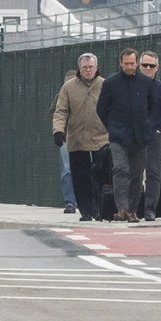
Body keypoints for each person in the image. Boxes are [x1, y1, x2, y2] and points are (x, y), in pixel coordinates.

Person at [96, 48, 158, 223]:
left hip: (140, 137)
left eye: (132, 63)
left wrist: (149, 127)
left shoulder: (146, 83)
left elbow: (153, 107)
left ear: (137, 63)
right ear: (121, 63)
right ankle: (121, 208)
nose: (129, 67)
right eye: (126, 64)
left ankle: (132, 210)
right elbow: (101, 108)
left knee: (137, 174)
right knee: (121, 169)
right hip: (118, 136)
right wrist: (112, 126)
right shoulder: (111, 83)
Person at [53, 53, 108, 221]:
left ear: (96, 68)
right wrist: (58, 130)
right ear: (79, 68)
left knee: (101, 176)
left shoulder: (105, 85)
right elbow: (61, 111)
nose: (88, 70)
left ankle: (100, 208)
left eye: (91, 67)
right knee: (80, 177)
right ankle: (86, 211)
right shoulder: (69, 87)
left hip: (102, 140)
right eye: (85, 67)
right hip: (77, 140)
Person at [140, 50, 161, 222]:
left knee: (153, 173)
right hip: (134, 135)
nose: (147, 68)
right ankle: (131, 208)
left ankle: (150, 209)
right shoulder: (132, 86)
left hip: (154, 136)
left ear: (157, 67)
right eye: (144, 65)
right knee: (131, 172)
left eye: (151, 65)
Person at [51, 69, 78, 215]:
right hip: (66, 138)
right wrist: (59, 131)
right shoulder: (59, 97)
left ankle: (88, 200)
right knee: (67, 170)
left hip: (85, 138)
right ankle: (70, 202)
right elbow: (55, 113)